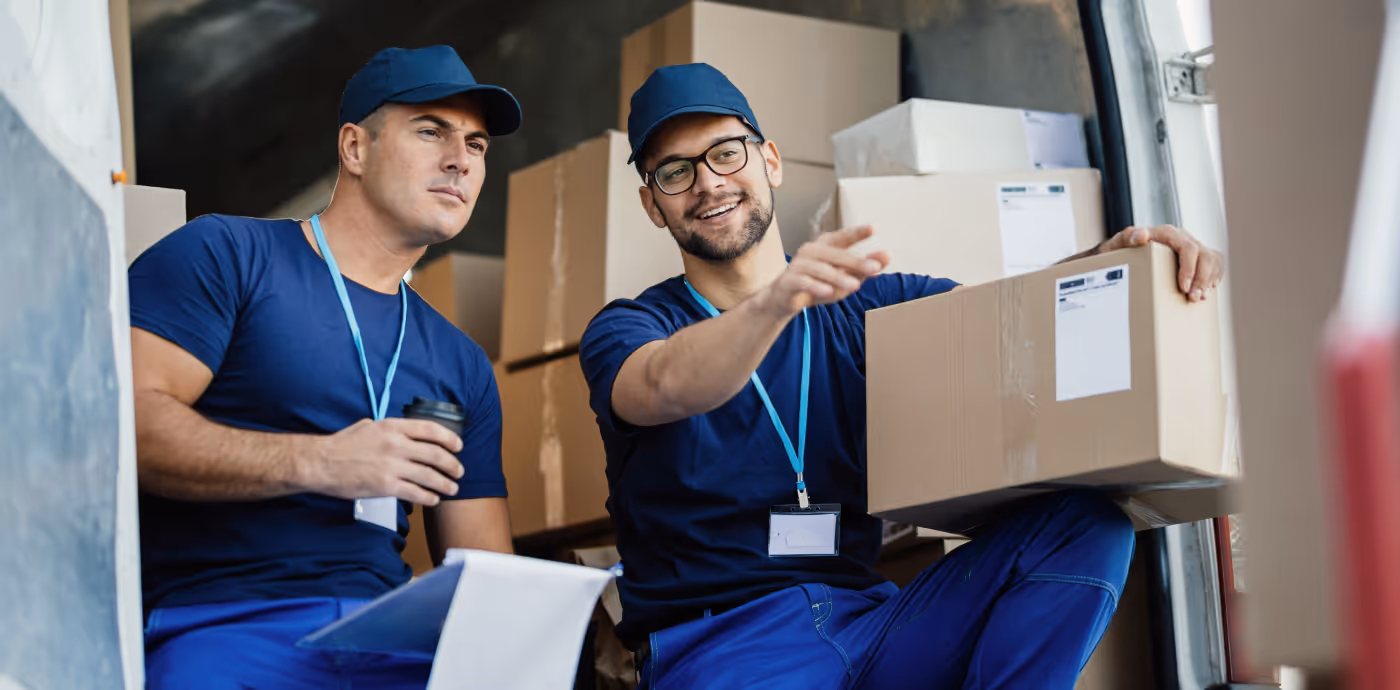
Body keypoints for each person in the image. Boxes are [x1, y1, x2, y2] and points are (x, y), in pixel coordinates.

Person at [578, 63, 1226, 689]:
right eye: (675, 171)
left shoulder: (869, 308)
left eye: (725, 153)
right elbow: (663, 384)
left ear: (768, 159)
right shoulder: (630, 330)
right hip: (726, 651)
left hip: (872, 628)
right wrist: (774, 303)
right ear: (652, 204)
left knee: (1086, 526)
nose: (708, 182)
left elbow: (1001, 323)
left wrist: (1107, 266)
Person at [129, 45, 522, 689]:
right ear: (355, 148)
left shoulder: (461, 361)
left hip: (393, 650)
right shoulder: (228, 254)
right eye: (431, 131)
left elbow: (488, 579)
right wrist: (321, 463)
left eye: (477, 145)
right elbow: (125, 430)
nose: (461, 160)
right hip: (230, 628)